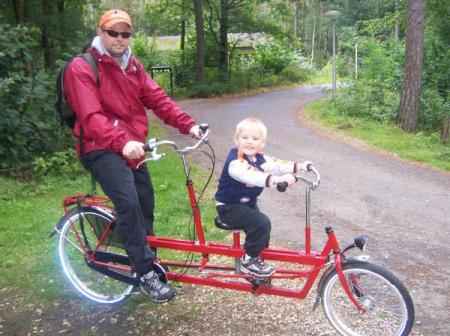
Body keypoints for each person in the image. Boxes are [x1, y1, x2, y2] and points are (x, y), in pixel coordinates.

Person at [64, 9, 202, 303]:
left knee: (145, 204)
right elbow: (91, 117)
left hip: (131, 147)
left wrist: (188, 124)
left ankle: (147, 260)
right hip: (99, 146)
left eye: (125, 33)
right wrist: (123, 141)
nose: (120, 38)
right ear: (100, 33)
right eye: (113, 33)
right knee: (128, 202)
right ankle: (145, 275)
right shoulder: (82, 67)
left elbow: (157, 98)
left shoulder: (132, 65)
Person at [215, 118, 312, 277]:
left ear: (262, 144)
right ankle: (249, 260)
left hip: (246, 204)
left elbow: (275, 164)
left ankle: (258, 256)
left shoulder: (258, 157)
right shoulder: (236, 162)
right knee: (262, 223)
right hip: (228, 207)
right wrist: (277, 181)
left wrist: (299, 166)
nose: (249, 142)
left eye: (255, 139)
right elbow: (253, 176)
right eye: (245, 138)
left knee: (262, 229)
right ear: (236, 140)